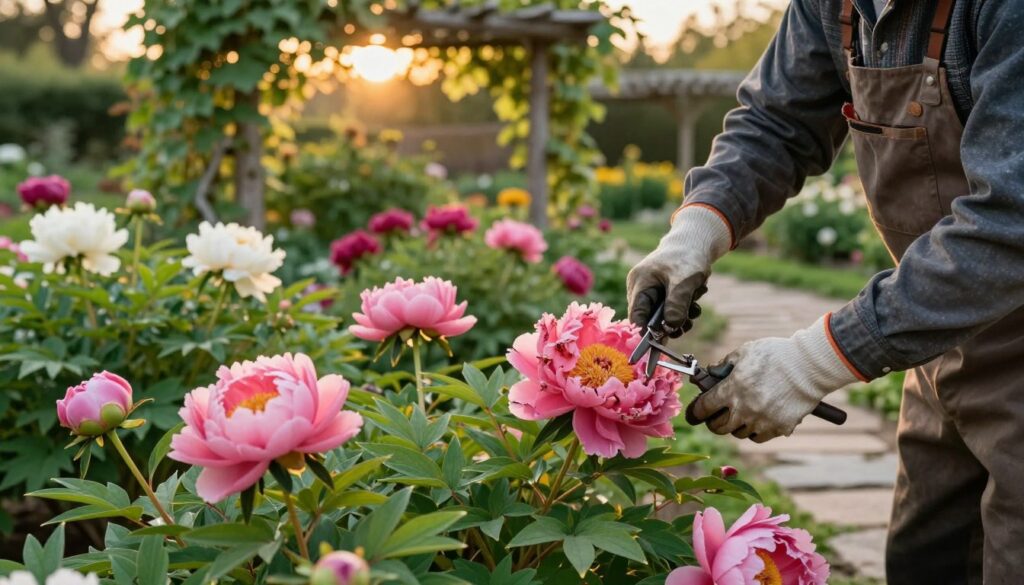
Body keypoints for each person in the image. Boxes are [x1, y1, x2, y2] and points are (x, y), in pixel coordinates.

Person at [626, 0, 1024, 583]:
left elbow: (1010, 220)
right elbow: (774, 124)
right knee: (925, 559)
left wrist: (814, 360)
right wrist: (697, 229)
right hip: (941, 345)